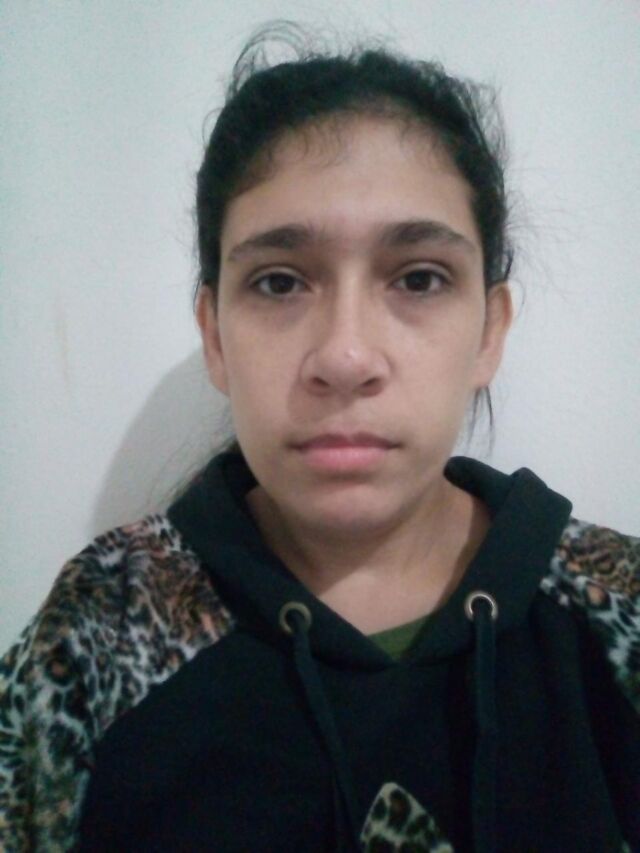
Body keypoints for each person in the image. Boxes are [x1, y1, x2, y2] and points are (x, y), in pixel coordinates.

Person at [1, 21, 638, 853]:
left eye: (418, 277)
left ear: (489, 331)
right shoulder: (98, 629)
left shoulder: (618, 609)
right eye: (278, 282)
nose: (344, 356)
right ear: (216, 335)